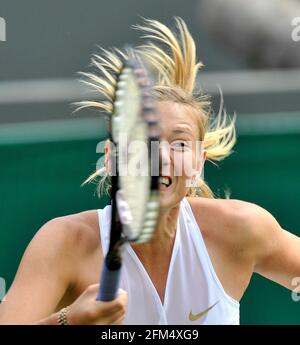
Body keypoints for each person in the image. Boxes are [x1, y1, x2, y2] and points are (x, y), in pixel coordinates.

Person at [0, 18, 299, 325]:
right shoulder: (63, 242)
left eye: (180, 144)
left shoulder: (242, 228)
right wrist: (68, 321)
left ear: (198, 165)